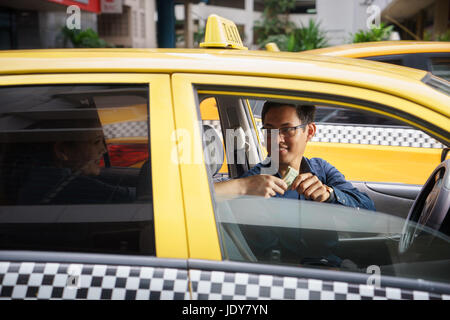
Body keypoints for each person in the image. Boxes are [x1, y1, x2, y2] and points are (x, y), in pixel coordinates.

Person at [215, 101, 375, 211]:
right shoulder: (254, 181)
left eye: (287, 129)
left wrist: (329, 195)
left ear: (310, 131)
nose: (277, 139)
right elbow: (197, 201)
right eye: (270, 131)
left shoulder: (322, 171)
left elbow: (368, 209)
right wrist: (242, 187)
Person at [6, 118, 136, 205]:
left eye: (103, 141)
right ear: (62, 150)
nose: (104, 150)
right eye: (96, 142)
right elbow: (134, 199)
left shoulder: (38, 178)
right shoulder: (65, 185)